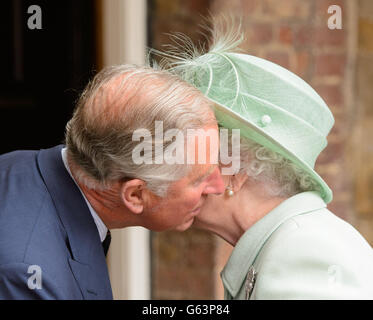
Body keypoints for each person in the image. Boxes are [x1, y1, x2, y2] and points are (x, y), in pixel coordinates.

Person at [162, 22, 373, 299]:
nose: (162, 167)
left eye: (180, 149)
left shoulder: (303, 253)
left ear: (232, 168)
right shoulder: (290, 242)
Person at [0, 64, 225, 299]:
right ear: (136, 195)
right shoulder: (29, 280)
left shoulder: (19, 166)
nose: (218, 186)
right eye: (200, 178)